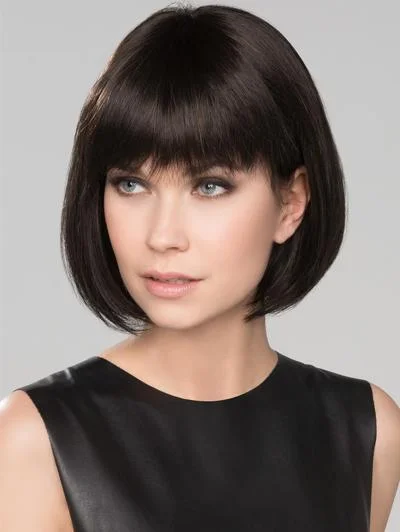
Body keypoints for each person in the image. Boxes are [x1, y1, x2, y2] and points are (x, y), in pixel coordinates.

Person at [1, 3, 399, 531]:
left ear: (290, 203)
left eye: (210, 186)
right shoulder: (34, 440)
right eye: (131, 184)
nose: (163, 236)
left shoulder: (367, 430)